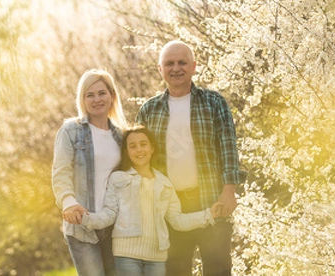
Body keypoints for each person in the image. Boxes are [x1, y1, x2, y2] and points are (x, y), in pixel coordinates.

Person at [136, 40, 246, 276]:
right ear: (160, 69)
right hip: (169, 207)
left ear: (194, 66)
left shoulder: (214, 102)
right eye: (169, 63)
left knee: (218, 269)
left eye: (182, 62)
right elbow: (140, 159)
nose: (176, 68)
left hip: (211, 200)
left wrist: (229, 190)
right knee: (175, 271)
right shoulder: (149, 109)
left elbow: (228, 148)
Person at [80, 126, 222, 276]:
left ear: (152, 147)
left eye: (143, 144)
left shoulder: (165, 183)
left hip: (157, 258)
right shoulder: (118, 178)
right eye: (132, 146)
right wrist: (85, 217)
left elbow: (177, 220)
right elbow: (109, 213)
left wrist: (208, 215)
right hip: (126, 255)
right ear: (126, 152)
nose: (139, 150)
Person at [52, 68, 128, 276]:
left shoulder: (122, 136)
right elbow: (61, 171)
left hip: (115, 226)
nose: (97, 99)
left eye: (102, 93)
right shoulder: (70, 131)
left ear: (112, 96)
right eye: (90, 95)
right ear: (82, 100)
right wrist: (68, 202)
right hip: (82, 226)